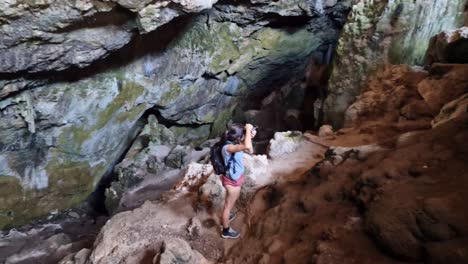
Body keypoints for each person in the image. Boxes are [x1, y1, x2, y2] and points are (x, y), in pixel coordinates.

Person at [220, 123, 256, 239]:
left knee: (231, 200)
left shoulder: (234, 143)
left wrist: (249, 136)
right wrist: (249, 129)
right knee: (227, 206)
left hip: (233, 177)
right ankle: (225, 231)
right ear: (238, 137)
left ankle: (228, 213)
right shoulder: (229, 148)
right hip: (231, 180)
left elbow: (250, 150)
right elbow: (246, 146)